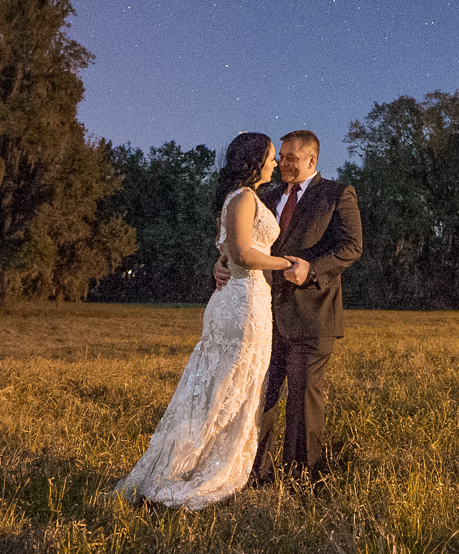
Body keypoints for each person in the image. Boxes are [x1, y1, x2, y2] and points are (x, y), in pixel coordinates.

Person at [111, 132, 304, 509]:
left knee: (233, 383)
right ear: (254, 160)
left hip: (248, 300)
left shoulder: (242, 198)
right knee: (224, 385)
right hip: (242, 303)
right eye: (270, 156)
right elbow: (244, 253)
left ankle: (210, 464)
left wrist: (226, 261)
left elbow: (231, 250)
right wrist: (287, 263)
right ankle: (193, 470)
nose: (275, 163)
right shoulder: (245, 197)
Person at [215, 128, 363, 486]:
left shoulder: (337, 194)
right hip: (264, 314)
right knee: (259, 395)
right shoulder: (262, 193)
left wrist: (312, 269)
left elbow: (351, 246)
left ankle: (301, 479)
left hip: (313, 315)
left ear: (312, 159)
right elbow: (242, 242)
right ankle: (252, 474)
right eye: (280, 156)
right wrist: (221, 263)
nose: (282, 163)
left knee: (302, 400)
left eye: (291, 158)